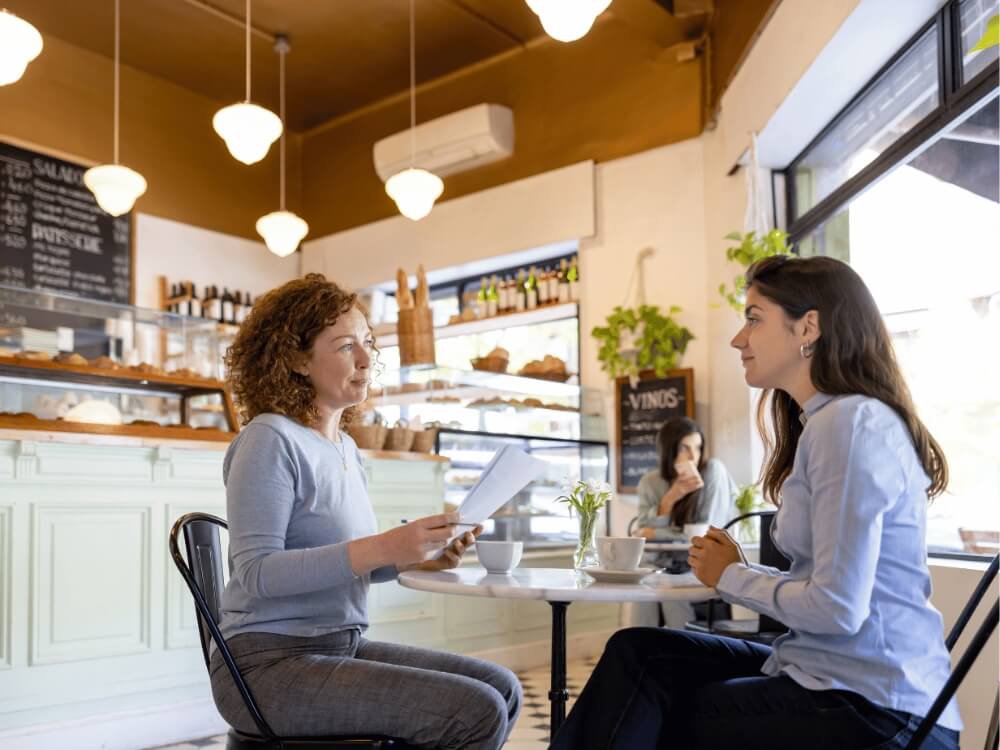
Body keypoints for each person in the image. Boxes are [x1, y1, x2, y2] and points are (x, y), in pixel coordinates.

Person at [551, 255, 960, 749]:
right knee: (638, 655)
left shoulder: (849, 424)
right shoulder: (832, 422)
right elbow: (826, 591)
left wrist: (731, 576)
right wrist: (738, 573)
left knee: (655, 706)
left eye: (753, 318)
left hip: (876, 707)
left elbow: (836, 609)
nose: (737, 339)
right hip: (829, 675)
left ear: (808, 327)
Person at [210, 274, 522, 750]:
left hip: (339, 645)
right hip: (265, 665)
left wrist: (415, 558)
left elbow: (342, 567)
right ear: (295, 359)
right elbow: (256, 574)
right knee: (473, 710)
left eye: (368, 344)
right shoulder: (268, 438)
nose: (365, 359)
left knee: (503, 688)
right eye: (345, 347)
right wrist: (386, 547)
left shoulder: (346, 448)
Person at [627, 417, 737, 627]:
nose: (693, 456)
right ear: (668, 450)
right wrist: (670, 499)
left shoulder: (713, 471)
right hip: (660, 564)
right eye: (685, 448)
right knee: (642, 589)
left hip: (699, 563)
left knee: (670, 594)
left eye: (698, 447)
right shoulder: (650, 482)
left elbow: (706, 533)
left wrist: (658, 533)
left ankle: (683, 654)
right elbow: (642, 538)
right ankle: (640, 654)